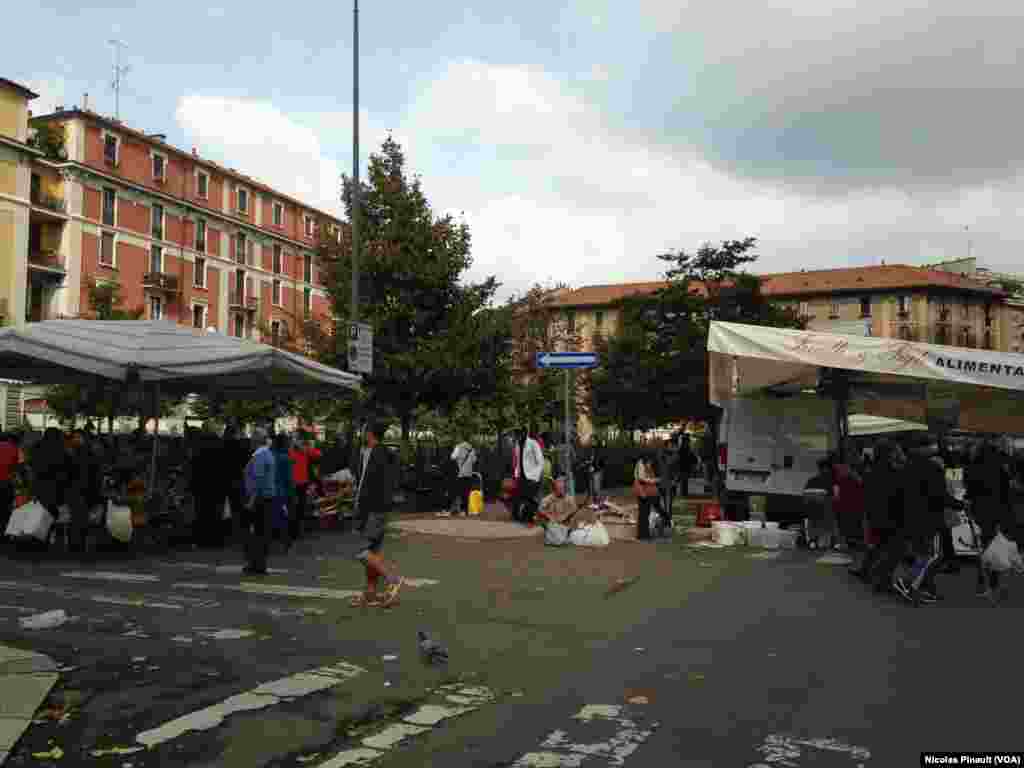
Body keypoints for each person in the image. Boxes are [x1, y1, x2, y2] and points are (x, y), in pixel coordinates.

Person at [350, 422, 403, 608]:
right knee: (372, 552)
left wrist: (360, 509)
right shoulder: (380, 453)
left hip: (373, 509)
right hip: (378, 508)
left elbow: (371, 486)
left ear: (369, 432)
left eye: (364, 430)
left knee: (361, 551)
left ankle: (393, 579)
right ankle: (370, 592)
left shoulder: (377, 454)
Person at [969, 441, 1014, 602]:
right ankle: (993, 582)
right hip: (998, 512)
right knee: (993, 545)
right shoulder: (1000, 469)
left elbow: (970, 490)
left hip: (979, 512)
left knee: (982, 545)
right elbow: (1006, 492)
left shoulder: (973, 468)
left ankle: (983, 583)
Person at [243, 427, 277, 576]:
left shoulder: (259, 455)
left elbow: (258, 478)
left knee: (256, 532)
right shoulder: (267, 453)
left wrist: (251, 500)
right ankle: (259, 563)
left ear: (256, 440)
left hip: (260, 499)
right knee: (262, 532)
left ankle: (256, 564)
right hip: (267, 498)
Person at [222, 425, 251, 547]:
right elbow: (247, 461)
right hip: (238, 479)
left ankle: (227, 532)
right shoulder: (241, 446)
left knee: (226, 507)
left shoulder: (221, 445)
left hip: (224, 479)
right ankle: (239, 533)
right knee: (238, 507)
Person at [289, 433, 321, 542]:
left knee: (301, 507)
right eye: (295, 439)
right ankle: (293, 531)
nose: (297, 441)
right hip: (292, 483)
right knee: (293, 507)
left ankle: (299, 530)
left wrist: (306, 448)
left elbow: (318, 454)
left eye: (299, 439)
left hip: (303, 483)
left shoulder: (305, 450)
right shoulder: (290, 451)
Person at [515, 428, 544, 525]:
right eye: (517, 433)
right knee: (523, 498)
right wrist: (516, 473)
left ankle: (530, 517)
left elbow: (540, 461)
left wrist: (536, 476)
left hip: (532, 476)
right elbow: (518, 460)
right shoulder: (518, 444)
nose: (518, 434)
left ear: (525, 432)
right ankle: (525, 517)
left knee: (531, 498)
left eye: (520, 432)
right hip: (522, 476)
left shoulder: (533, 443)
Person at [272, 433, 295, 550]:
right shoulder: (285, 458)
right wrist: (292, 493)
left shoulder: (270, 455)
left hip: (269, 491)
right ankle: (285, 543)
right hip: (282, 493)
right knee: (283, 519)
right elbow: (289, 479)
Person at [635, 452, 665, 540]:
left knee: (645, 513)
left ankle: (644, 534)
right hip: (643, 491)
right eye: (650, 461)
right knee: (643, 513)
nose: (650, 463)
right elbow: (641, 478)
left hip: (648, 491)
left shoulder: (645, 463)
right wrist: (654, 481)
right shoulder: (641, 464)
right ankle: (643, 535)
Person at [0, 431, 22, 536]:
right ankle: (5, 532)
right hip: (5, 484)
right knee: (5, 509)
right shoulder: (14, 449)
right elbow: (17, 468)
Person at [448, 438, 477, 516]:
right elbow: (474, 460)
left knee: (458, 492)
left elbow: (452, 457)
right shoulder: (472, 449)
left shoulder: (458, 447)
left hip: (460, 473)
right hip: (469, 474)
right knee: (466, 493)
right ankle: (466, 510)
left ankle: (456, 509)